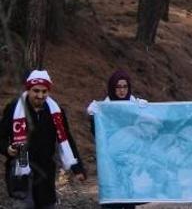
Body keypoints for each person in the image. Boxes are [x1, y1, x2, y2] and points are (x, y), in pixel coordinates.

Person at [0, 70, 86, 208]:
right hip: (20, 171)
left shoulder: (56, 112)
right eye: (36, 91)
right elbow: (1, 136)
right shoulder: (14, 108)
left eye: (44, 91)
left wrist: (78, 168)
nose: (40, 96)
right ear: (28, 89)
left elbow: (66, 139)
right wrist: (7, 149)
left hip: (46, 171)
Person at [87, 70, 146, 209]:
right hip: (111, 161)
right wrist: (94, 117)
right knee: (112, 199)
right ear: (112, 88)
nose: (122, 90)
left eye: (125, 86)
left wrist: (146, 110)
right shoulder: (104, 110)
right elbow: (98, 134)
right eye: (118, 87)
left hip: (130, 161)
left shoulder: (135, 107)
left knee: (129, 199)